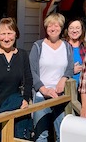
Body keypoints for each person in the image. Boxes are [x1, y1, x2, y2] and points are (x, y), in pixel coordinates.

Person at [29, 13, 74, 142]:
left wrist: (64, 78)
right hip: (41, 97)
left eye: (56, 25)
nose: (53, 28)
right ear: (45, 27)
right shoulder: (38, 46)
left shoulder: (66, 46)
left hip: (60, 96)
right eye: (50, 25)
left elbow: (70, 67)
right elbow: (32, 71)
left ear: (61, 27)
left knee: (62, 135)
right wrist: (44, 90)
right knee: (41, 136)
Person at [0, 17, 33, 141]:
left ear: (16, 34)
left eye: (10, 33)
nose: (7, 38)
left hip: (15, 110)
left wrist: (25, 99)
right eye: (3, 34)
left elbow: (28, 79)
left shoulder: (23, 55)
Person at [63, 19, 86, 88]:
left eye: (77, 28)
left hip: (83, 86)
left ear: (82, 30)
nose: (74, 31)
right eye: (71, 28)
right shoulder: (62, 46)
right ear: (67, 30)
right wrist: (71, 71)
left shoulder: (85, 47)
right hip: (66, 87)